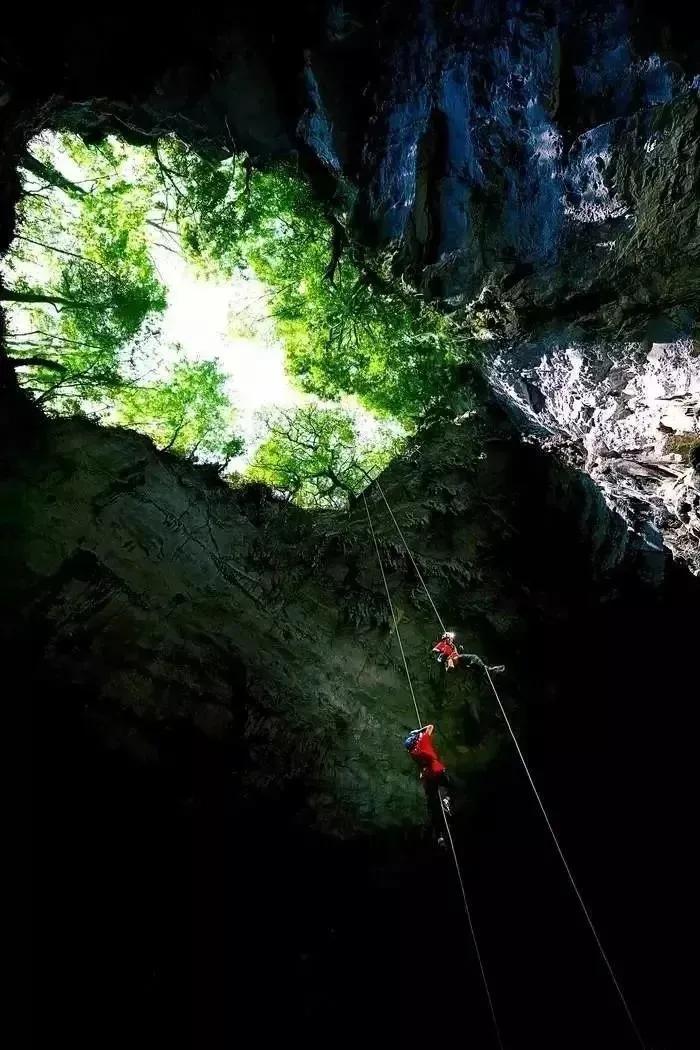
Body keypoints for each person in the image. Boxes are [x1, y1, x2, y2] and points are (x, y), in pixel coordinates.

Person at [404, 723, 452, 846]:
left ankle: (439, 836)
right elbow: (430, 726)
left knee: (432, 804)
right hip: (437, 770)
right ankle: (446, 800)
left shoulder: (413, 753)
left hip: (427, 776)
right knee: (446, 785)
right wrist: (420, 730)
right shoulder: (423, 740)